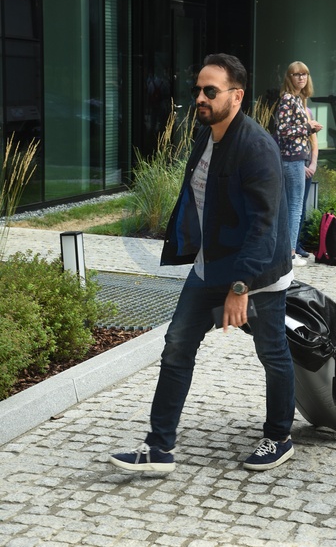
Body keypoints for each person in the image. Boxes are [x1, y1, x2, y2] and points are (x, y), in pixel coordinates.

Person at [109, 53, 296, 473]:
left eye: (210, 91)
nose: (200, 98)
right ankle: (159, 448)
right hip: (210, 267)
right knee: (177, 345)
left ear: (237, 95)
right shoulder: (205, 136)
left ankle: (279, 436)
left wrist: (240, 288)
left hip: (257, 274)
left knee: (272, 352)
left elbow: (264, 226)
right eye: (197, 90)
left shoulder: (256, 147)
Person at [274, 61, 322, 267]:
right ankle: (290, 253)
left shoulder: (297, 99)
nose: (301, 77)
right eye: (296, 74)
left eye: (305, 74)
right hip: (292, 159)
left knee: (291, 207)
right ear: (289, 77)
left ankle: (287, 251)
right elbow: (283, 131)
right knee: (294, 207)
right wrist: (307, 127)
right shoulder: (288, 99)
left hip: (296, 158)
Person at [296, 128, 319, 257]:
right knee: (293, 206)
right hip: (294, 166)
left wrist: (313, 164)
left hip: (308, 166)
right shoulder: (288, 116)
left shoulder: (309, 117)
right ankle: (290, 245)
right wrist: (299, 167)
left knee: (301, 206)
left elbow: (314, 143)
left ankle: (296, 243)